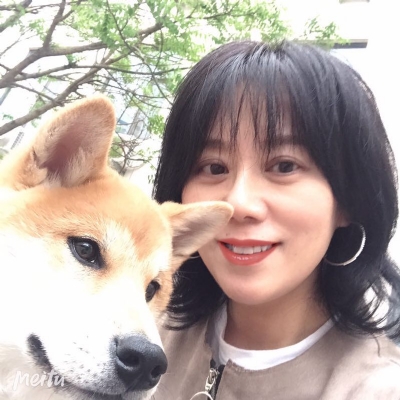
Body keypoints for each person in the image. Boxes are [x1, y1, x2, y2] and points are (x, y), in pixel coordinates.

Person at [152, 40, 400, 400]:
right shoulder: (140, 335)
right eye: (214, 167)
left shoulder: (377, 389)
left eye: (284, 166)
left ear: (348, 199)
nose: (239, 203)